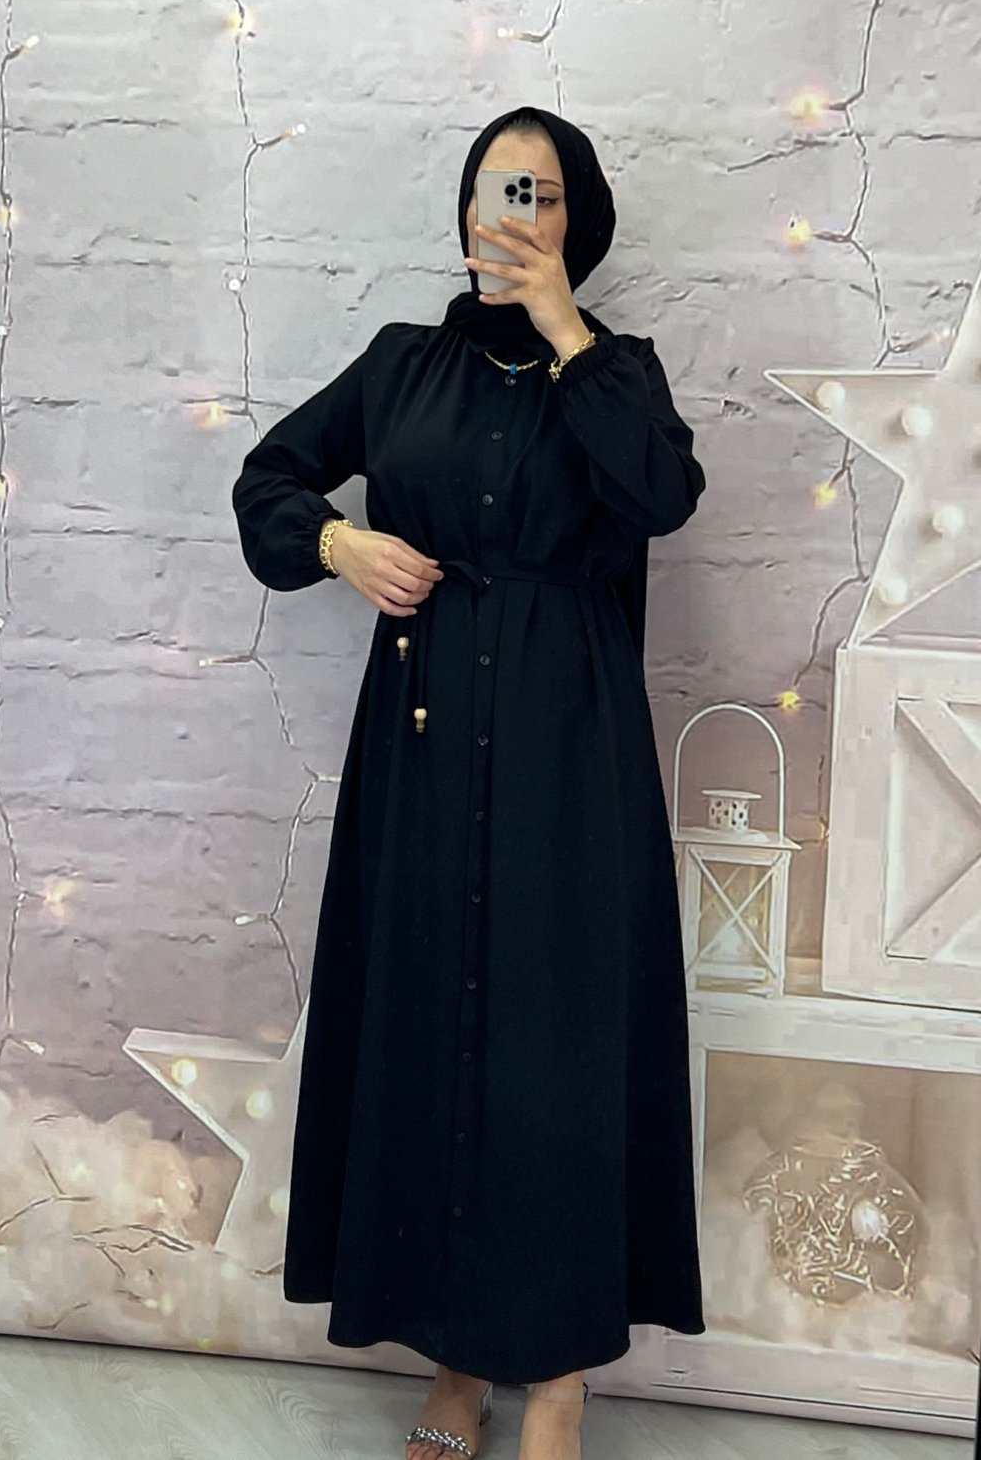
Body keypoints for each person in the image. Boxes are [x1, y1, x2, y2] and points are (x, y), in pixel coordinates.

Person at [231, 104, 707, 1460]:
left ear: (579, 221)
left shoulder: (618, 371)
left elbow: (663, 496)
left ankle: (555, 1377)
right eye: (498, 189)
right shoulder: (400, 366)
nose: (516, 213)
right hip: (426, 736)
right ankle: (453, 1359)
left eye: (542, 193)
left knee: (555, 1049)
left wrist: (566, 330)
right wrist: (340, 545)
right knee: (432, 1028)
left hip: (570, 742)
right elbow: (268, 480)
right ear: (463, 212)